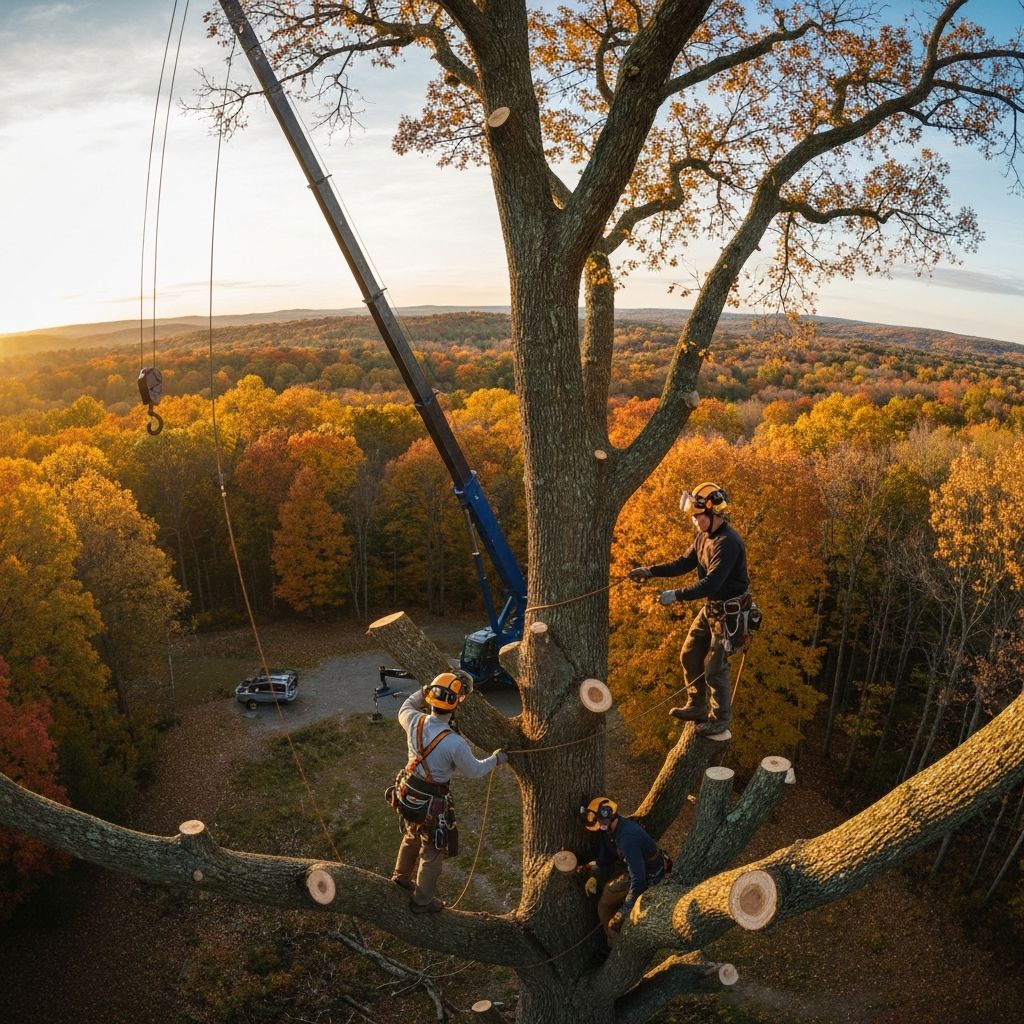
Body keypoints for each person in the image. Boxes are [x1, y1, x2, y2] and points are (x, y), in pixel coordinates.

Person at [628, 481, 750, 737]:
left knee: (715, 668)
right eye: (694, 518)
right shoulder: (703, 536)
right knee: (690, 654)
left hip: (730, 613)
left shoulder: (727, 543)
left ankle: (719, 720)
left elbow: (712, 583)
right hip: (713, 608)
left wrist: (676, 595)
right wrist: (650, 571)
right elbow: (682, 563)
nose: (695, 522)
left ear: (713, 513)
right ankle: (696, 705)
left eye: (698, 517)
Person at [390, 671, 506, 914]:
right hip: (432, 802)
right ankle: (422, 901)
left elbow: (407, 704)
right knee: (431, 853)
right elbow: (474, 770)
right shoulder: (454, 743)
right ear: (455, 704)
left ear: (431, 698)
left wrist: (424, 691)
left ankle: (400, 877)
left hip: (409, 792)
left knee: (411, 834)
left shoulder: (413, 719)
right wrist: (496, 759)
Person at [576, 797, 668, 945]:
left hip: (649, 875)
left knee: (604, 903)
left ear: (608, 816)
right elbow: (604, 858)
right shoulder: (608, 831)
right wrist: (594, 875)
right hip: (633, 869)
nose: (598, 827)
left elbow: (639, 878)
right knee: (607, 887)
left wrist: (625, 908)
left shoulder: (627, 838)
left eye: (599, 823)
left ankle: (613, 942)